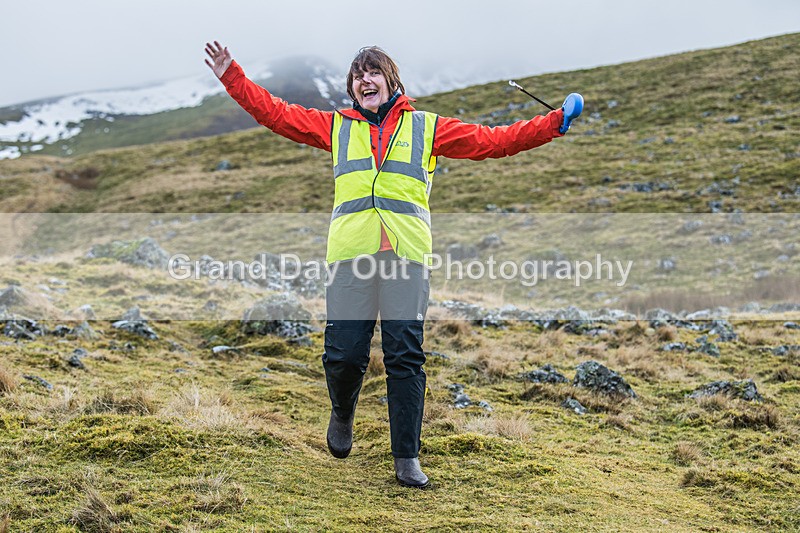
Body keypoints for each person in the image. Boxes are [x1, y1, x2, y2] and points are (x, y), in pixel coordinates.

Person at [205, 41, 578, 488]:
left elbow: (494, 141)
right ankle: (342, 413)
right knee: (343, 355)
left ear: (391, 80)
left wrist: (554, 122)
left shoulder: (427, 128)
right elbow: (276, 113)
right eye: (357, 76)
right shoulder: (335, 128)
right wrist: (233, 77)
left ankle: (406, 457)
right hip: (351, 256)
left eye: (373, 72)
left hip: (407, 257)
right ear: (352, 89)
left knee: (405, 355)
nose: (365, 80)